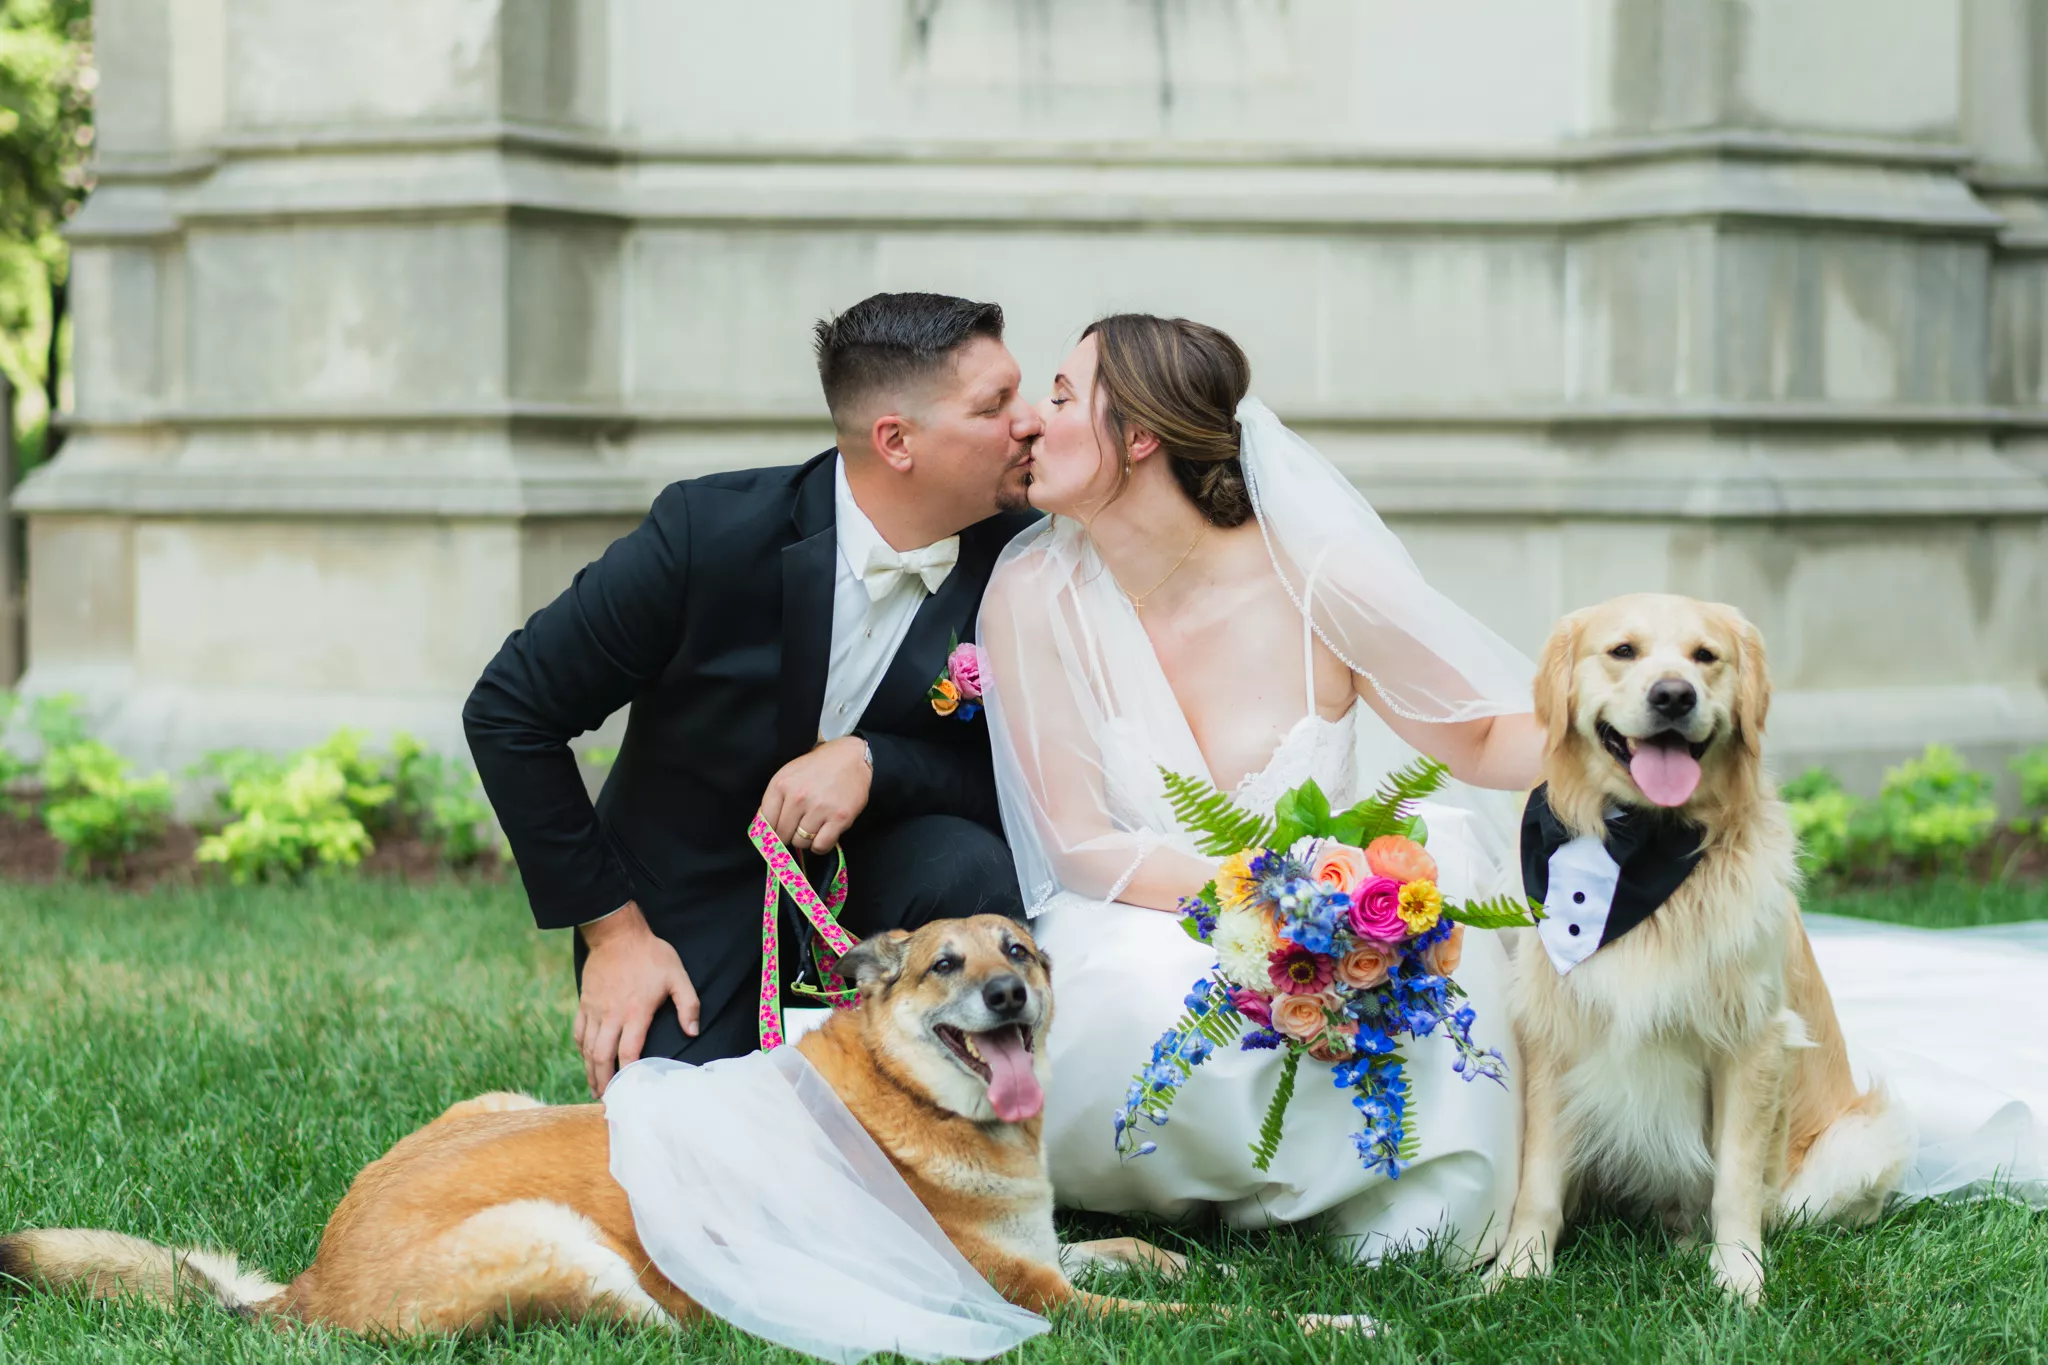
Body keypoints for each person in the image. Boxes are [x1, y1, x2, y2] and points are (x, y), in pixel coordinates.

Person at [978, 314, 1546, 1262]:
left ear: (1142, 434)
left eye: (1065, 395)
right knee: (1130, 992)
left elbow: (1483, 735)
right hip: (1138, 903)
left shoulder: (1314, 576)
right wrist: (1256, 907)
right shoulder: (1033, 589)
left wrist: (1633, 745)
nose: (1034, 419)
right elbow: (1078, 840)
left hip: (1334, 906)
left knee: (1442, 923)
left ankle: (1390, 1187)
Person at [466, 292, 1041, 1096]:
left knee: (972, 873)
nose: (1032, 420)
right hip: (696, 888)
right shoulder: (708, 535)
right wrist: (616, 936)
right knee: (685, 1127)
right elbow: (509, 711)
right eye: (995, 405)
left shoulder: (1023, 565)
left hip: (897, 874)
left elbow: (1023, 783)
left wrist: (875, 760)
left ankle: (956, 1121)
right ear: (896, 440)